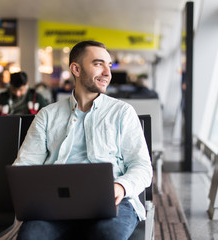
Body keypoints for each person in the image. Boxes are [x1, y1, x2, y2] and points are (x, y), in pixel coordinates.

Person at [13, 40, 153, 240]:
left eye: (109, 65)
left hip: (111, 201)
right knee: (31, 236)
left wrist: (120, 186)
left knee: (107, 235)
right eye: (98, 64)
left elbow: (142, 167)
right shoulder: (47, 115)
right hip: (56, 203)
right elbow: (24, 167)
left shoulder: (122, 113)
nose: (107, 72)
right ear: (76, 69)